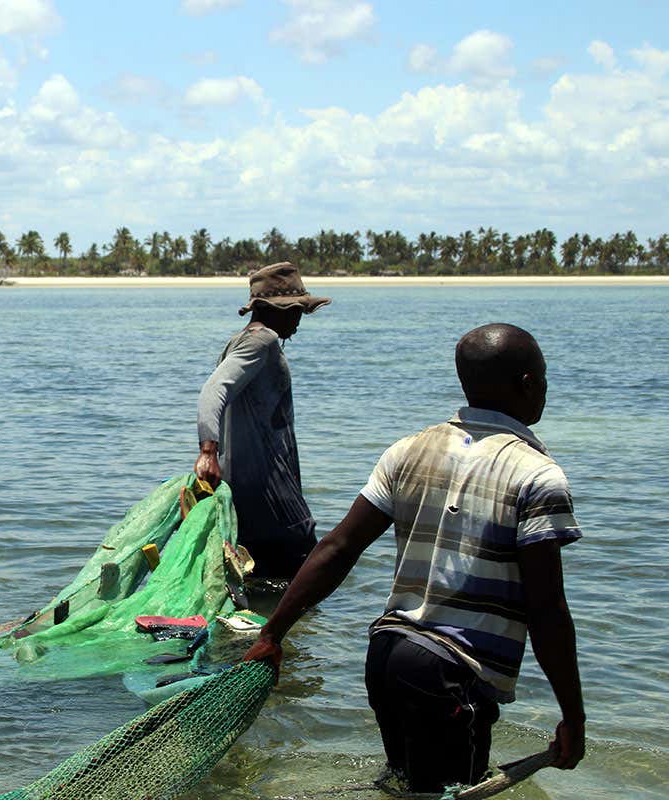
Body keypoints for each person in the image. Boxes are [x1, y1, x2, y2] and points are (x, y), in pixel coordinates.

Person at [243, 323, 586, 792]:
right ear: (528, 383)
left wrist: (272, 632)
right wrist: (573, 716)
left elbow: (338, 548)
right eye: (543, 377)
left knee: (410, 789)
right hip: (449, 672)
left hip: (386, 657)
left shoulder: (408, 450)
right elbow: (547, 610)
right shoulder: (537, 475)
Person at [194, 262, 330, 579]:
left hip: (248, 506)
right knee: (301, 599)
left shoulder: (239, 341)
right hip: (276, 507)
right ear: (273, 310)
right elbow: (214, 390)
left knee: (256, 597)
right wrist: (209, 452)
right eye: (295, 310)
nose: (298, 319)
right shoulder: (262, 341)